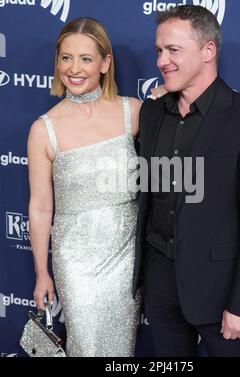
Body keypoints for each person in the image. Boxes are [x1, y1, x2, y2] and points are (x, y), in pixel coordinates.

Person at [133, 5, 240, 357]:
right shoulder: (152, 112)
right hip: (160, 283)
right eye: (159, 50)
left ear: (208, 51)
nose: (161, 61)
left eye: (173, 50)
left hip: (220, 291)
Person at [28, 17, 142, 357]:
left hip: (126, 258)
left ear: (105, 63)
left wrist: (164, 99)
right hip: (75, 261)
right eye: (66, 58)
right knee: (87, 346)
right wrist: (41, 273)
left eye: (86, 59)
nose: (73, 69)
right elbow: (40, 207)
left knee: (122, 351)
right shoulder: (43, 130)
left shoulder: (133, 112)